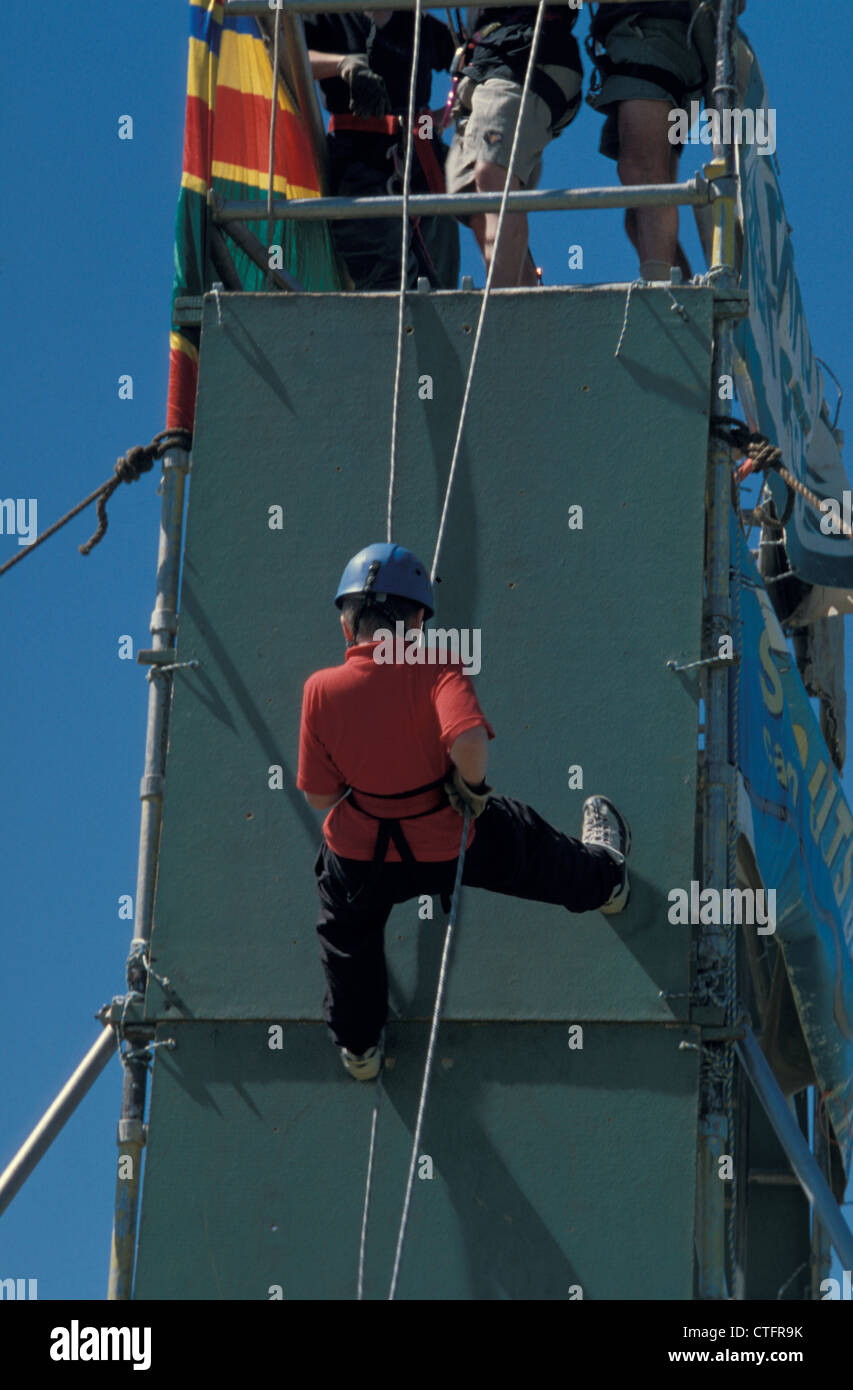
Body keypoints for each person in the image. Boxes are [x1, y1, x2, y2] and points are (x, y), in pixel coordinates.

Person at [297, 542, 632, 1081]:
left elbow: (318, 797)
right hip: (447, 837)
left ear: (346, 624)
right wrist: (469, 789)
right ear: (420, 617)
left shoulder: (320, 690)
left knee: (345, 936)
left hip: (361, 853)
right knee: (527, 846)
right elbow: (469, 740)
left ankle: (360, 1049)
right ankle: (608, 884)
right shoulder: (434, 664)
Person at [585, 1, 743, 281]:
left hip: (653, 35)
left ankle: (662, 292)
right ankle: (677, 290)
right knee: (638, 212)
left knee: (643, 175)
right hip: (653, 42)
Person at [305, 10, 460, 290]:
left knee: (440, 287)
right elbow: (281, 55)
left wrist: (448, 112)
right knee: (386, 279)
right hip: (360, 163)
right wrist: (342, 64)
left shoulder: (420, 25)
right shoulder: (330, 17)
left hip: (424, 164)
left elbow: (473, 62)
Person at [444, 6, 584, 287]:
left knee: (492, 173)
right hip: (488, 65)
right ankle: (525, 300)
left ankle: (503, 307)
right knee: (471, 193)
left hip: (526, 55)